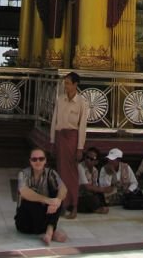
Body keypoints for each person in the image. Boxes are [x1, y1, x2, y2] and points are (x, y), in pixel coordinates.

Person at [50, 71, 88, 219]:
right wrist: (52, 141)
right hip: (60, 136)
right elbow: (54, 121)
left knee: (72, 173)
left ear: (75, 84)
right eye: (64, 83)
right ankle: (63, 203)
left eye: (67, 83)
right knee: (61, 171)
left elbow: (82, 126)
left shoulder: (82, 102)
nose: (65, 86)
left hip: (72, 138)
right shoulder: (60, 100)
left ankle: (74, 205)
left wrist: (80, 147)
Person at [15, 147, 68, 245]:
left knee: (58, 196)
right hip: (25, 222)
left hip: (43, 216)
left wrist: (57, 201)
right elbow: (24, 192)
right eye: (34, 159)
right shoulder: (23, 174)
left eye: (41, 159)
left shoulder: (51, 173)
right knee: (29, 201)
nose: (38, 161)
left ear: (45, 160)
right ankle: (50, 231)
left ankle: (49, 230)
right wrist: (47, 200)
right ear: (30, 161)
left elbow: (63, 188)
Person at [77, 148, 108, 214]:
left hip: (88, 195)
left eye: (91, 159)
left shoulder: (95, 170)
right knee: (94, 200)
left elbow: (95, 186)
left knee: (100, 196)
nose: (87, 160)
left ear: (96, 162)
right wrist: (104, 189)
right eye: (87, 157)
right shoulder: (80, 167)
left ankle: (97, 207)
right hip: (78, 196)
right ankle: (96, 209)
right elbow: (87, 187)